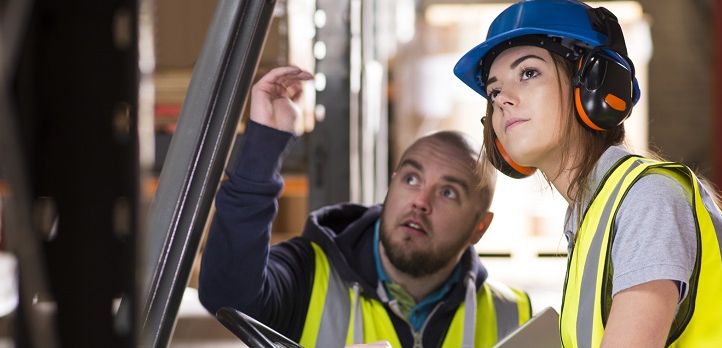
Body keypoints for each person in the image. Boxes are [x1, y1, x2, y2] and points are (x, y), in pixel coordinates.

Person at [452, 0, 722, 347]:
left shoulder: (647, 200)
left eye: (528, 73)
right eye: (494, 90)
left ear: (594, 84)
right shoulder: (592, 217)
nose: (502, 100)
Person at [198, 66, 532, 348]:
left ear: (479, 227)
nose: (420, 202)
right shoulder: (309, 274)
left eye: (447, 193)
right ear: (391, 186)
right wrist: (264, 145)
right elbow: (228, 296)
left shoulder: (512, 316)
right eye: (411, 179)